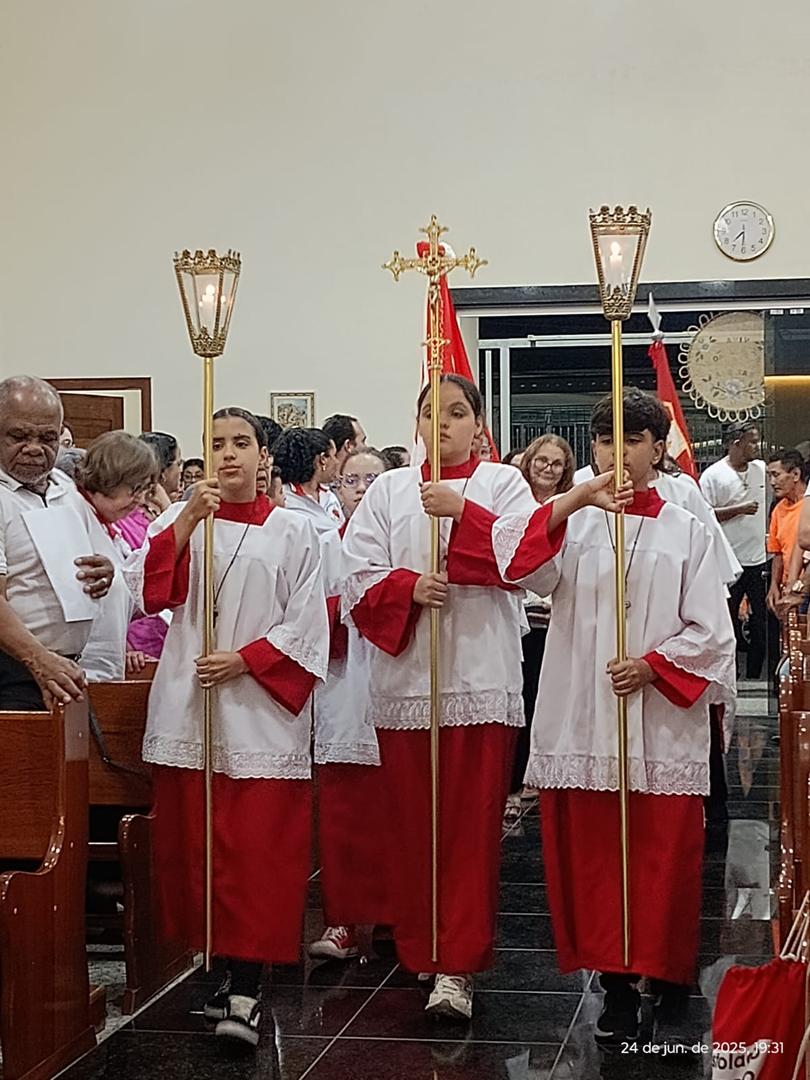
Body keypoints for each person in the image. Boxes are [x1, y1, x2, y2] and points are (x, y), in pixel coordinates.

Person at [437, 388, 736, 1053]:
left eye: (632, 439)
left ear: (657, 448)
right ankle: (616, 982)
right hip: (585, 713)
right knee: (598, 859)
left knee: (658, 857)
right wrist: (573, 501)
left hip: (658, 720)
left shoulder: (686, 527)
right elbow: (515, 562)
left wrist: (654, 666)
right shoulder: (572, 519)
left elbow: (713, 634)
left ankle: (665, 973)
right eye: (605, 440)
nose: (616, 453)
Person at [123, 407, 328, 1049]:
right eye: (217, 444)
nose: (229, 454)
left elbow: (309, 626)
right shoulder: (177, 522)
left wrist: (247, 659)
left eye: (242, 443)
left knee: (255, 854)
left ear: (264, 455)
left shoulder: (296, 531)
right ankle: (215, 973)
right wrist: (187, 519)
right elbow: (147, 593)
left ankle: (247, 987)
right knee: (199, 852)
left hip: (261, 714)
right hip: (191, 709)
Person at [341, 374, 536, 1021]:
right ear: (417, 423)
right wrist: (406, 588)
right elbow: (356, 574)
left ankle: (459, 963)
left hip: (480, 678)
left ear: (478, 425)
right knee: (412, 824)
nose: (443, 424)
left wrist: (462, 514)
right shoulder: (390, 490)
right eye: (431, 412)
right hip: (407, 682)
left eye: (456, 412)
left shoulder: (502, 484)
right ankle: (423, 947)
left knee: (469, 829)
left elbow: (525, 560)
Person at [309, 446, 391, 961]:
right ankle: (341, 920)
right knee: (343, 815)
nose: (361, 489)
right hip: (341, 686)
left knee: (395, 812)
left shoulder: (407, 539)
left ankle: (396, 917)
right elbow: (302, 613)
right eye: (351, 480)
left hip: (393, 683)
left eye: (372, 480)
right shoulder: (322, 544)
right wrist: (344, 608)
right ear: (335, 488)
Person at [0, 376, 115, 709]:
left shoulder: (64, 487)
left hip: (64, 666)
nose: (35, 448)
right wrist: (38, 659)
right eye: (19, 436)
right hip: (15, 670)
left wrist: (105, 571)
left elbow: (99, 556)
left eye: (48, 437)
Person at [503, 434, 575, 826]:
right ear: (529, 462)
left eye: (556, 463)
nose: (548, 468)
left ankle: (543, 776)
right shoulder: (512, 503)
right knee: (521, 702)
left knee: (549, 702)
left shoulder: (571, 507)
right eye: (541, 461)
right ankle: (514, 783)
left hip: (555, 620)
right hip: (518, 619)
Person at [74, 431, 159, 680]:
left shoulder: (110, 528)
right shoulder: (74, 514)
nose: (140, 500)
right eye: (134, 489)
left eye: (144, 489)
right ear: (109, 478)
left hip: (106, 670)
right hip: (82, 670)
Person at [700, 422, 767, 679]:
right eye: (752, 441)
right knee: (727, 621)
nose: (757, 446)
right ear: (736, 443)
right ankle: (729, 674)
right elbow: (705, 515)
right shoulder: (713, 476)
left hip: (759, 559)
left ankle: (755, 675)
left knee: (760, 621)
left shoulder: (761, 469)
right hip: (728, 563)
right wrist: (738, 509)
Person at [765, 449, 807, 615]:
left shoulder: (807, 507)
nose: (772, 482)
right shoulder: (778, 510)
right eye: (769, 476)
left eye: (776, 475)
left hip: (804, 588)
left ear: (795, 474)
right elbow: (778, 553)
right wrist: (774, 585)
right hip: (789, 590)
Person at [274, 427, 343, 527]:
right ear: (323, 459)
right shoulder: (285, 497)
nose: (337, 462)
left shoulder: (329, 496)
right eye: (334, 455)